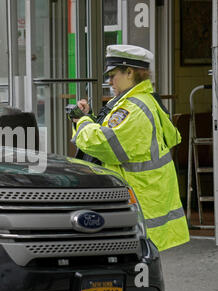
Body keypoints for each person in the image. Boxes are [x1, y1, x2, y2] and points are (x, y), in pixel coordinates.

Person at [71, 44, 189, 252]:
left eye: (113, 75)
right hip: (144, 199)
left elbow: (104, 144)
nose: (109, 82)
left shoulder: (133, 109)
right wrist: (86, 118)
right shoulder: (137, 101)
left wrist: (81, 122)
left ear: (130, 72)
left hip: (138, 204)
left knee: (133, 270)